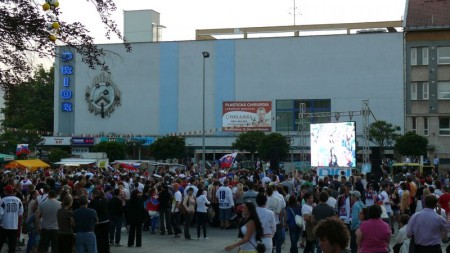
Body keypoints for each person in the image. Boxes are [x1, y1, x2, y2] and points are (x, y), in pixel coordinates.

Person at [0, 185, 24, 253]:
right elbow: (21, 213)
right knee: (12, 245)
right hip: (14, 225)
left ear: (6, 191)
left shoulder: (3, 200)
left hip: (4, 225)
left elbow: (0, 214)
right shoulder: (18, 200)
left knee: (1, 242)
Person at [88, 189, 110, 253]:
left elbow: (91, 210)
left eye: (92, 194)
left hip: (98, 222)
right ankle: (106, 250)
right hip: (106, 220)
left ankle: (100, 250)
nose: (92, 195)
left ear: (95, 194)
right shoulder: (105, 200)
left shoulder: (93, 202)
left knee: (98, 238)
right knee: (105, 237)